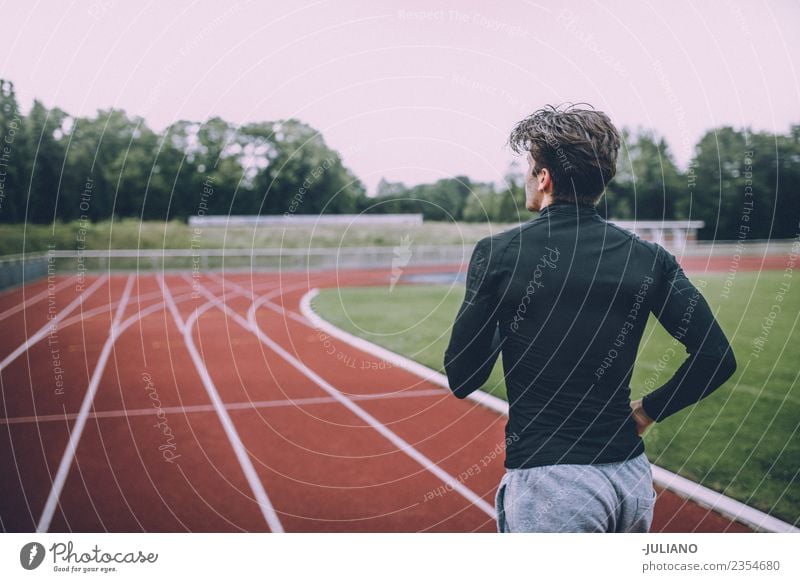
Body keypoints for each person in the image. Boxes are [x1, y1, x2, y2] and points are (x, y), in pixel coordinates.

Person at [443, 104, 737, 533]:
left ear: (544, 178)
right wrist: (646, 412)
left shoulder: (501, 254)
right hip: (631, 479)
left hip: (551, 483)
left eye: (529, 169)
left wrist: (508, 310)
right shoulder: (649, 258)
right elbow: (716, 356)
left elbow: (462, 377)